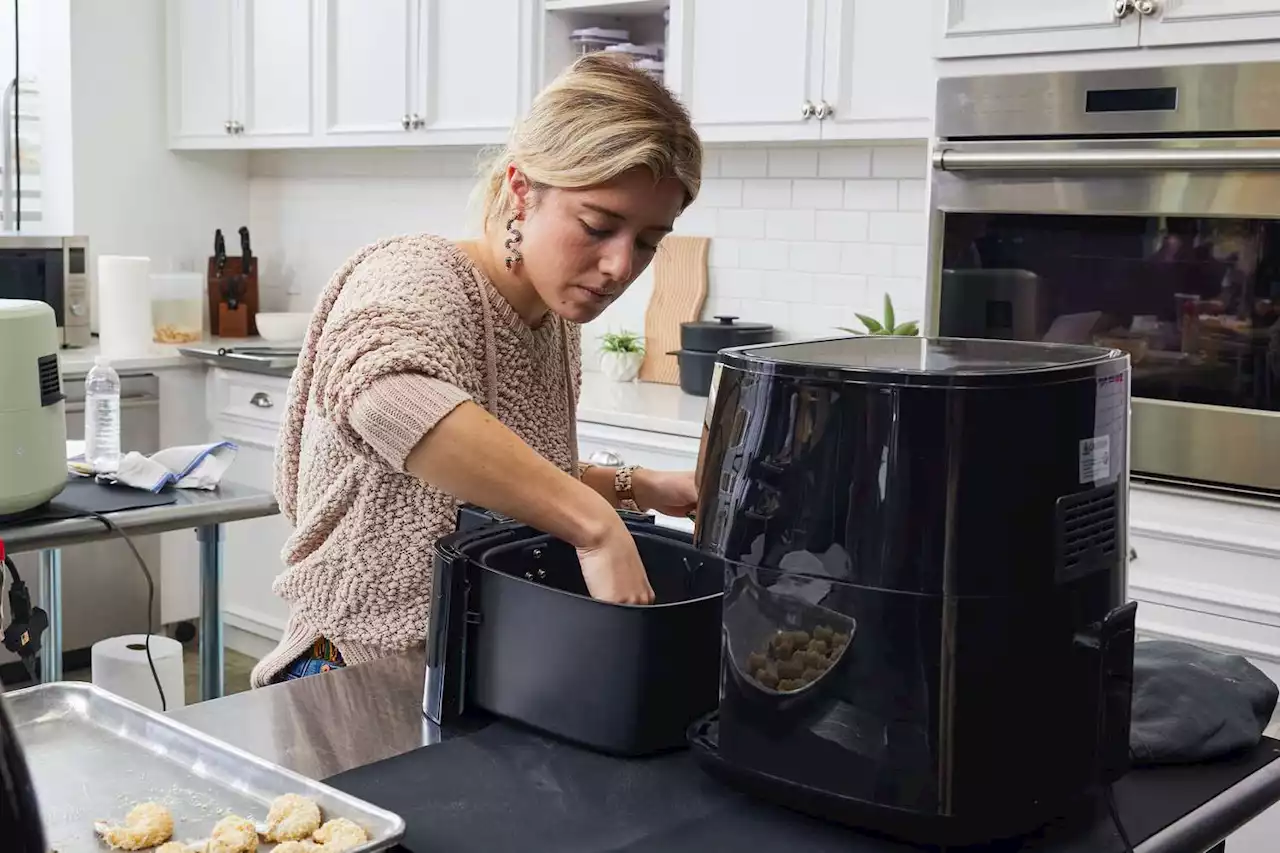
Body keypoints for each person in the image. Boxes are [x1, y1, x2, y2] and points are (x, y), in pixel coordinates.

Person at [249, 53, 704, 687]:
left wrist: (647, 487)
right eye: (599, 226)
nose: (620, 267)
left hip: (473, 663)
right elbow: (387, 397)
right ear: (522, 190)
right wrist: (596, 527)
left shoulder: (553, 318)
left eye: (650, 241)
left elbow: (501, 487)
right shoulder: (418, 274)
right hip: (350, 667)